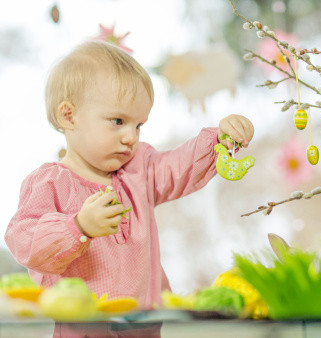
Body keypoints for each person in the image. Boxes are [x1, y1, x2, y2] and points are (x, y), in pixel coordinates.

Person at [4, 41, 254, 337]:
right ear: (69, 116)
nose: (130, 137)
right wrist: (78, 226)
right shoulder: (49, 183)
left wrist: (219, 140)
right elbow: (24, 239)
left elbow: (179, 166)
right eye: (118, 121)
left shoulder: (139, 170)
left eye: (138, 126)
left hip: (145, 330)